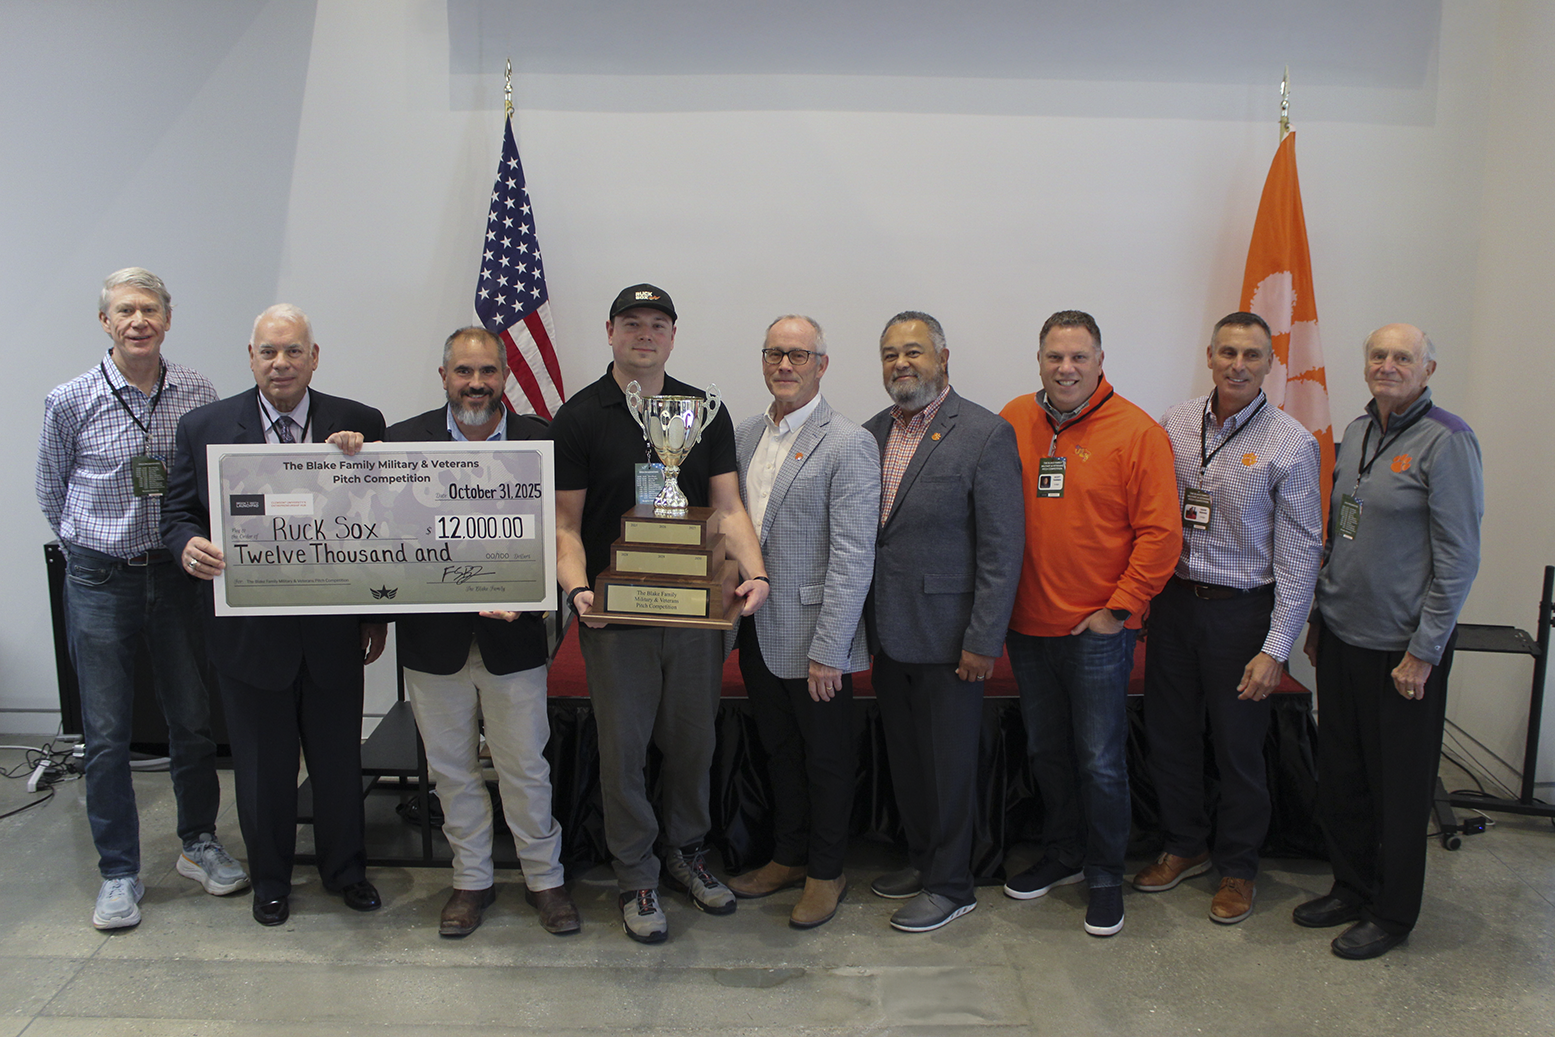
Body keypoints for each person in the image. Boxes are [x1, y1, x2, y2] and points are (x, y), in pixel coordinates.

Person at [552, 284, 769, 943]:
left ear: (672, 336)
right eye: (631, 323)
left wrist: (754, 571)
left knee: (692, 743)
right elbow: (564, 523)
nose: (644, 334)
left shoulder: (702, 410)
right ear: (610, 331)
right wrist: (576, 588)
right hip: (615, 617)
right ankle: (635, 871)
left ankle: (685, 849)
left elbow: (727, 508)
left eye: (657, 324)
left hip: (694, 611)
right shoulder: (581, 415)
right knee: (621, 751)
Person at [162, 304, 388, 927]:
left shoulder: (359, 423)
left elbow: (390, 525)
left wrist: (377, 618)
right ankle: (271, 881)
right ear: (252, 357)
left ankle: (346, 872)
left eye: (293, 351)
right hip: (248, 635)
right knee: (262, 769)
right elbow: (178, 513)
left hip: (333, 632)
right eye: (268, 352)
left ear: (314, 357)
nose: (280, 363)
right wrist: (186, 543)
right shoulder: (203, 426)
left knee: (340, 759)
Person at [36, 267, 247, 930]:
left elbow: (213, 480)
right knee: (105, 733)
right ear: (106, 321)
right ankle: (119, 871)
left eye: (149, 308)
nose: (137, 320)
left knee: (191, 717)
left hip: (179, 576)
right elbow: (52, 491)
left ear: (166, 318)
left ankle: (198, 843)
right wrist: (92, 552)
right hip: (101, 578)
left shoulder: (196, 390)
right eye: (124, 309)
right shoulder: (70, 398)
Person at [385, 327, 580, 938]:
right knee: (451, 770)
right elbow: (384, 537)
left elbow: (563, 536)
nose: (476, 383)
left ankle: (544, 881)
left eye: (488, 372)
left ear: (504, 377)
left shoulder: (541, 441)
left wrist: (537, 596)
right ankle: (470, 880)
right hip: (431, 642)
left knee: (525, 766)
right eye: (464, 371)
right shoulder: (401, 442)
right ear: (444, 376)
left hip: (514, 640)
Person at [1296, 323, 1482, 960]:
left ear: (1428, 368)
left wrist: (1424, 651)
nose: (1388, 365)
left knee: (1398, 788)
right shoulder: (1357, 432)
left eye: (1404, 357)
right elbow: (1337, 533)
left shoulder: (1448, 442)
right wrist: (1320, 619)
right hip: (1344, 636)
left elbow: (1458, 559)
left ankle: (1393, 912)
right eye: (1378, 355)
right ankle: (1350, 888)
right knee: (1342, 777)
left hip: (1403, 651)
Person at [1135, 312, 1322, 924]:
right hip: (1174, 607)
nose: (1238, 365)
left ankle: (1238, 866)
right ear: (1209, 357)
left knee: (1240, 749)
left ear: (1271, 364)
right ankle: (1184, 845)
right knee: (1170, 736)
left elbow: (1299, 555)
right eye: (1227, 353)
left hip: (1242, 614)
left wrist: (1276, 648)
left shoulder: (1292, 443)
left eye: (1252, 355)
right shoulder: (1177, 422)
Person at [998, 309, 1180, 937]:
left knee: (1100, 759)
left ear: (1101, 361)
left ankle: (1105, 873)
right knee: (1047, 751)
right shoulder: (1014, 418)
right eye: (1055, 357)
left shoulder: (1137, 433)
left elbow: (1162, 535)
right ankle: (1065, 854)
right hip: (1026, 628)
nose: (1066, 368)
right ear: (1040, 362)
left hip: (1098, 633)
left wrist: (1118, 610)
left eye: (1079, 357)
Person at [863, 310, 1024, 933]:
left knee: (949, 767)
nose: (901, 364)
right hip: (888, 633)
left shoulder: (985, 433)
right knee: (907, 760)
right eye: (889, 355)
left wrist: (983, 639)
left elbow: (1000, 550)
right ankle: (924, 859)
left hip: (952, 639)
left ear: (943, 359)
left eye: (913, 352)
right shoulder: (872, 432)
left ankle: (953, 883)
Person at [726, 315, 879, 930]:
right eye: (774, 354)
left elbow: (852, 555)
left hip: (818, 638)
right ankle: (787, 857)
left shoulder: (848, 443)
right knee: (779, 752)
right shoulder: (740, 438)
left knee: (827, 759)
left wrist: (831, 649)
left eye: (798, 355)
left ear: (821, 364)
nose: (784, 365)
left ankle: (826, 871)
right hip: (756, 633)